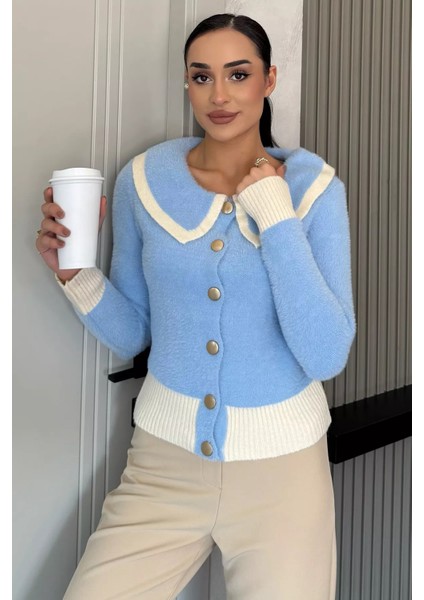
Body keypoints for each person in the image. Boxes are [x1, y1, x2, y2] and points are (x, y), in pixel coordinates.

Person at [36, 13, 355, 600]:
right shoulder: (144, 181)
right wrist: (75, 275)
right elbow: (135, 331)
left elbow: (326, 353)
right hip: (163, 464)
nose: (219, 95)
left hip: (284, 478)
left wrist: (274, 212)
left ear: (269, 79)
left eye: (239, 74)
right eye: (202, 76)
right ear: (187, 83)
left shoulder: (315, 191)